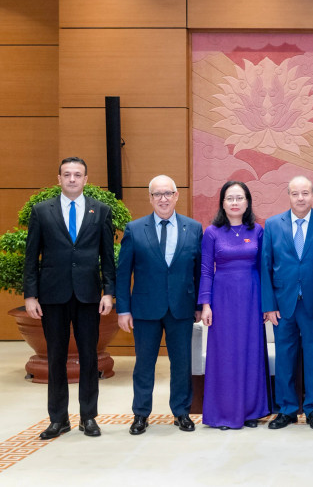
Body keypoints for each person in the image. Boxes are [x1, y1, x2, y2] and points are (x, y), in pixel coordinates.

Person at [23, 157, 115, 439]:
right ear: (59, 178)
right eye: (67, 174)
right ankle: (58, 419)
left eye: (78, 175)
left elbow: (107, 258)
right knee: (56, 357)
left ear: (86, 179)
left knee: (89, 357)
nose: (72, 179)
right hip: (53, 296)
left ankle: (89, 417)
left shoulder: (100, 211)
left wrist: (109, 292)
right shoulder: (41, 211)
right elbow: (31, 257)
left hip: (88, 295)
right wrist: (30, 295)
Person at [116, 175, 203, 435]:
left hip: (182, 308)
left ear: (177, 196)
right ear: (150, 198)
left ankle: (181, 412)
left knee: (181, 363)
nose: (163, 199)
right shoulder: (135, 228)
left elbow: (199, 271)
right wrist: (123, 309)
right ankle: (141, 414)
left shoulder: (193, 228)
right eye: (157, 194)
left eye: (168, 193)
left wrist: (199, 304)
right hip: (145, 309)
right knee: (144, 364)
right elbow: (123, 273)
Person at [198, 181, 271, 430]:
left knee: (251, 353)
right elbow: (206, 270)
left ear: (248, 202)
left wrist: (266, 305)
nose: (235, 202)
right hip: (223, 300)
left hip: (252, 299)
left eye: (240, 198)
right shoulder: (212, 232)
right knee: (225, 356)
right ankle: (224, 414)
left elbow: (264, 269)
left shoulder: (258, 231)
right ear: (222, 203)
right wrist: (205, 304)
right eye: (230, 198)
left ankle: (251, 411)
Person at [261, 176, 313, 431]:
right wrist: (269, 305)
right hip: (283, 304)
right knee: (285, 358)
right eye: (295, 193)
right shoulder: (272, 225)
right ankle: (286, 409)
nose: (300, 198)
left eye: (305, 193)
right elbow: (265, 266)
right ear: (288, 195)